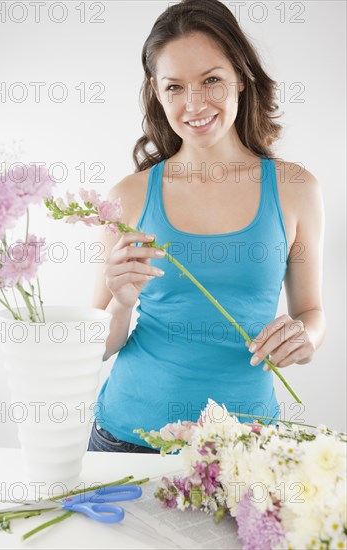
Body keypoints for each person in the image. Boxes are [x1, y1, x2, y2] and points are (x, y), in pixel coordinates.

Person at [87, 0, 326, 453]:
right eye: (175, 87)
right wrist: (119, 302)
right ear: (158, 93)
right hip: (127, 438)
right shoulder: (129, 196)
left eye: (211, 80)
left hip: (246, 445)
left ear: (242, 75)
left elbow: (311, 311)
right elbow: (95, 346)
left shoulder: (296, 188)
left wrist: (305, 338)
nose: (194, 104)